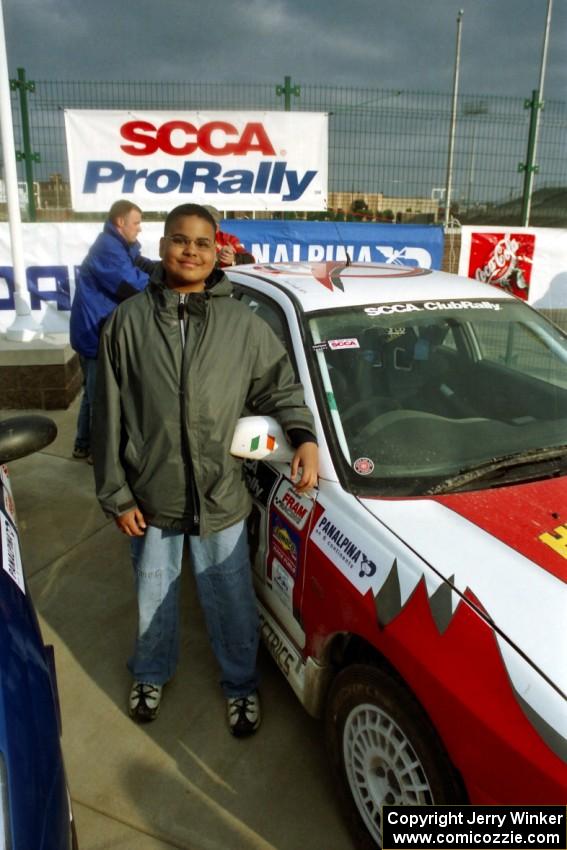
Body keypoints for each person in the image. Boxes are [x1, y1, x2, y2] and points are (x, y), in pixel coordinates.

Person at [92, 203, 318, 737]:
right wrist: (117, 495)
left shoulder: (241, 323)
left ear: (216, 250)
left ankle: (240, 684)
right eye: (179, 240)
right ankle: (149, 673)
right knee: (153, 591)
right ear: (162, 245)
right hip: (152, 494)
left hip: (222, 494)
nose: (189, 251)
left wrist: (303, 435)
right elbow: (108, 417)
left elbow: (280, 387)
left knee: (230, 595)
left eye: (200, 242)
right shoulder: (126, 323)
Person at [69, 200, 154, 461]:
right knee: (99, 396)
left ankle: (82, 444)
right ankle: (98, 451)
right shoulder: (108, 248)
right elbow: (132, 283)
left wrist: (161, 268)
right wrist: (166, 284)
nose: (139, 229)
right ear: (120, 222)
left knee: (90, 391)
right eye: (136, 222)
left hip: (93, 329)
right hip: (95, 333)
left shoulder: (119, 245)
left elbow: (138, 264)